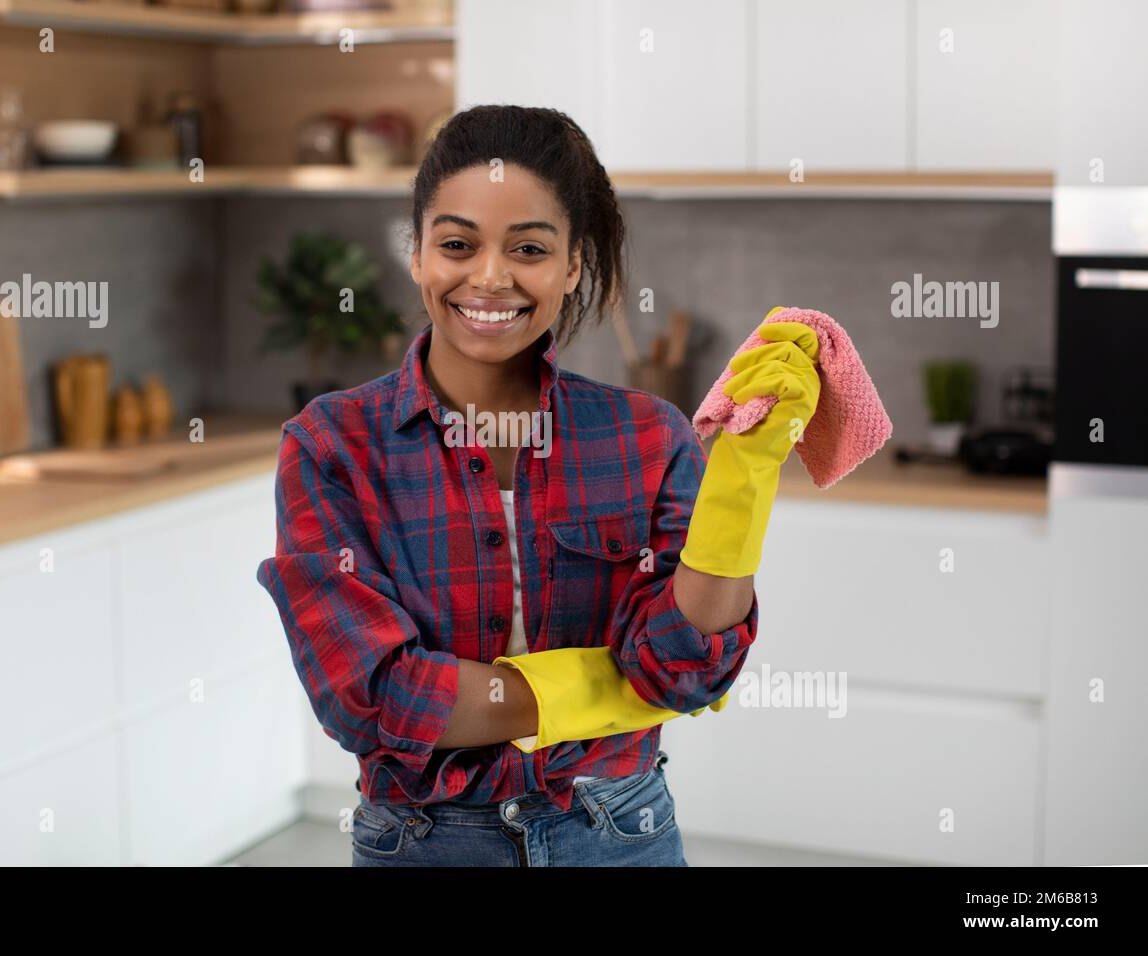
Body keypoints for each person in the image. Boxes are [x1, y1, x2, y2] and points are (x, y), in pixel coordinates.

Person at [256, 105, 820, 867]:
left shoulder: (647, 436)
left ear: (573, 265)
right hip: (425, 844)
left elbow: (684, 668)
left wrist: (744, 478)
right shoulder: (333, 445)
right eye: (457, 244)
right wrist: (593, 686)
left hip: (621, 834)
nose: (490, 276)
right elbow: (372, 695)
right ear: (418, 254)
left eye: (528, 247)